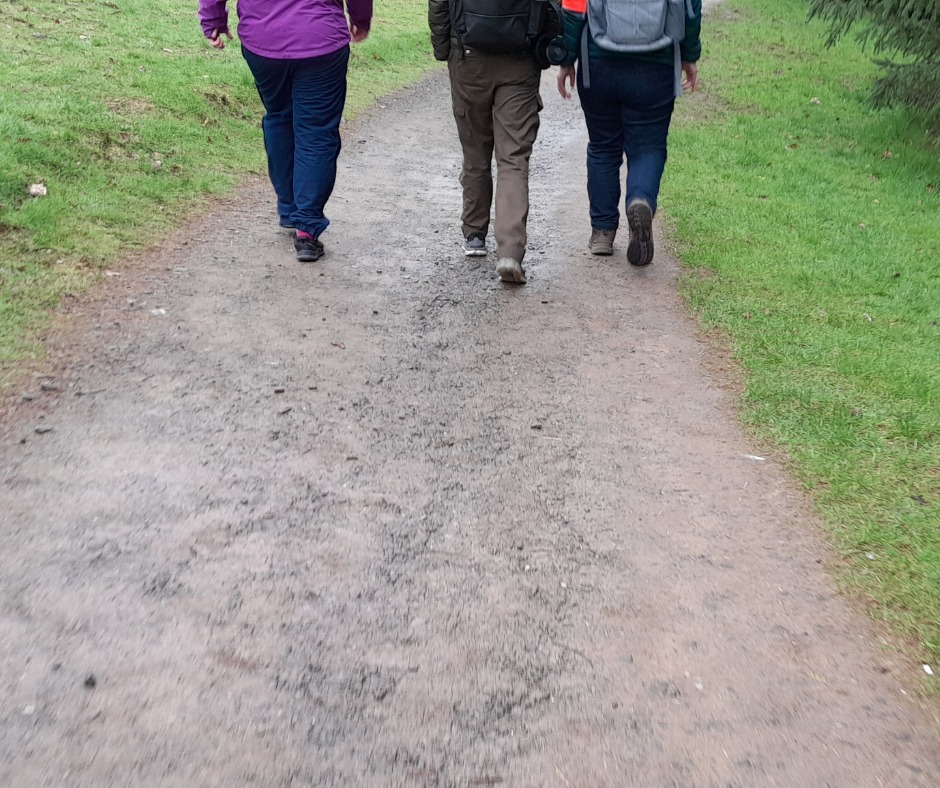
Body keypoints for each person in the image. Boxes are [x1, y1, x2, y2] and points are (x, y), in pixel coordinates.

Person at [198, 0, 373, 263]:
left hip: (263, 39)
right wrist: (361, 18)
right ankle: (306, 228)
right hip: (320, 36)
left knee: (279, 117)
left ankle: (291, 209)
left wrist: (212, 20)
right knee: (316, 132)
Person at [556, 0, 701, 266]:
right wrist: (690, 55)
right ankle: (640, 199)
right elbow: (690, 7)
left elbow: (574, 8)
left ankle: (602, 232)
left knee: (603, 146)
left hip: (598, 63)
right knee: (648, 146)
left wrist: (566, 59)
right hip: (657, 65)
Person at [428, 0, 545, 284]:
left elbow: (438, 3)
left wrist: (443, 48)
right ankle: (510, 251)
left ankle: (475, 234)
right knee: (513, 159)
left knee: (475, 150)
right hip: (520, 59)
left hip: (468, 59)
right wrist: (545, 49)